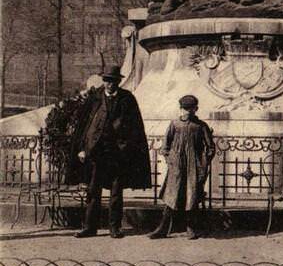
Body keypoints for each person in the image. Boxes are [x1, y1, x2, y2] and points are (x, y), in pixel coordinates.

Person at [70, 65, 151, 238]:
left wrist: (126, 149)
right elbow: (84, 125)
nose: (110, 84)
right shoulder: (95, 98)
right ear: (103, 81)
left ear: (119, 82)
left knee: (116, 193)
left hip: (117, 155)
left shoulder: (127, 99)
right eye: (107, 80)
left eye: (113, 81)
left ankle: (114, 227)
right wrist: (82, 148)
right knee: (93, 191)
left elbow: (135, 127)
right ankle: (90, 228)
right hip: (96, 153)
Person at [149, 95, 215, 240]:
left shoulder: (200, 126)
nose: (187, 112)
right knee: (172, 196)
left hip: (194, 167)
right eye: (185, 109)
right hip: (177, 166)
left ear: (196, 109)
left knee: (192, 196)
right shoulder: (175, 124)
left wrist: (203, 164)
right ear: (181, 109)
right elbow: (165, 146)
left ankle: (191, 228)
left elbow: (210, 148)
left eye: (191, 109)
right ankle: (163, 229)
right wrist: (170, 160)